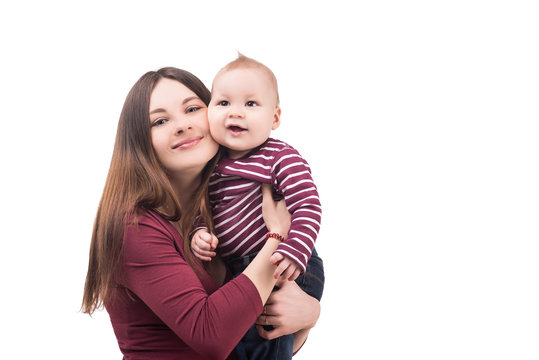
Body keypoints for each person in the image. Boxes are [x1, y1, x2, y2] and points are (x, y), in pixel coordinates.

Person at [81, 67, 321, 360]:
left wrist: (307, 318)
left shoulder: (223, 215)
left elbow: (246, 345)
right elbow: (213, 336)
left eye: (193, 109)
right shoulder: (135, 226)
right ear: (140, 144)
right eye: (159, 121)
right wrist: (277, 235)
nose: (181, 125)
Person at [190, 54, 324, 359]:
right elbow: (202, 209)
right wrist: (200, 232)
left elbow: (308, 205)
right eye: (223, 103)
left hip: (284, 264)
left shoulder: (279, 156)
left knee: (266, 339)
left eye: (251, 104)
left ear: (275, 118)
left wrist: (294, 251)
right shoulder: (210, 165)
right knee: (238, 345)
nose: (236, 113)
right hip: (240, 270)